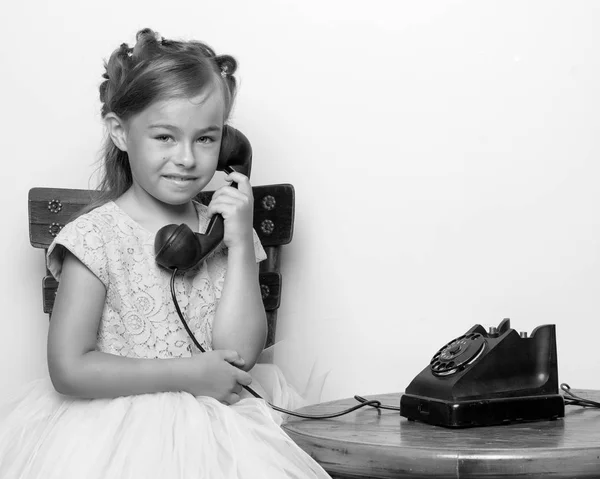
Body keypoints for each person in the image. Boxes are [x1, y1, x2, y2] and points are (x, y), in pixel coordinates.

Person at [0, 28, 330, 478]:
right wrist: (186, 374)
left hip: (224, 432)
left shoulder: (225, 229)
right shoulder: (96, 237)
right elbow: (69, 368)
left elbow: (238, 353)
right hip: (115, 435)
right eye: (165, 137)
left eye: (206, 139)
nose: (188, 159)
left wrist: (235, 245)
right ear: (120, 132)